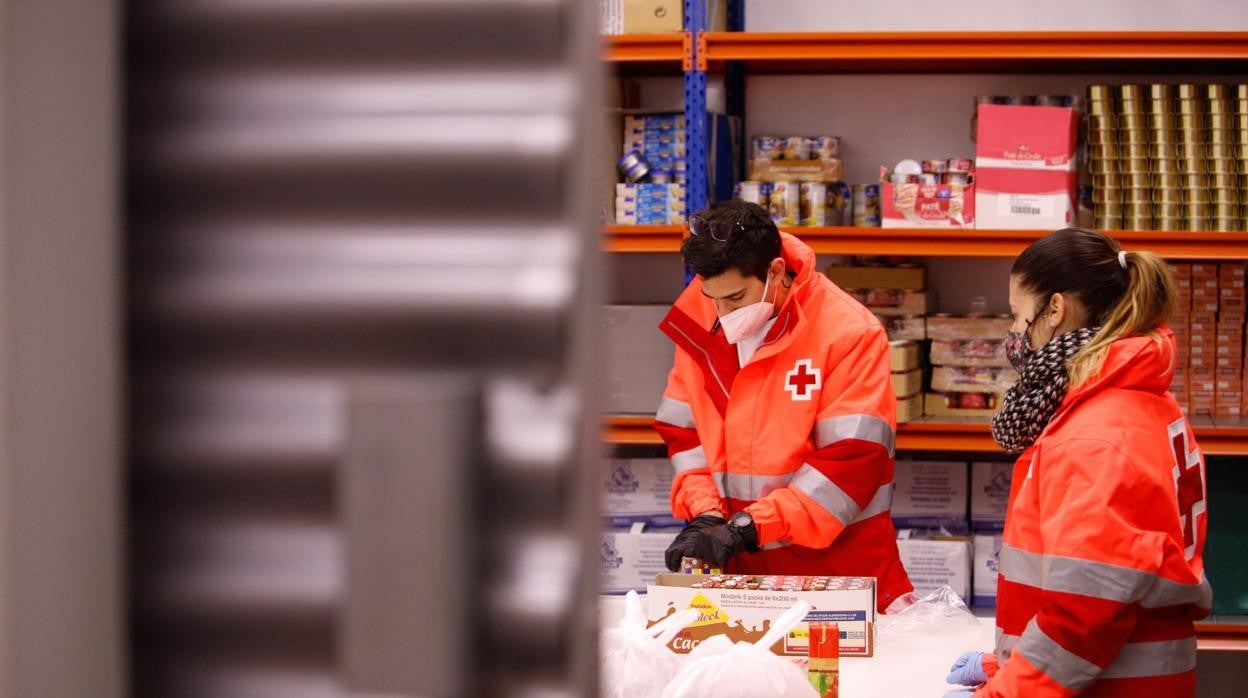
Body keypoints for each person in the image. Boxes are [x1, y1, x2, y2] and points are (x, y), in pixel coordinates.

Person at [945, 228, 1211, 697]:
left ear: (1054, 309)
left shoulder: (1094, 433)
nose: (1012, 334)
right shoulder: (1143, 399)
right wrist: (1003, 665)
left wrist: (1005, 692)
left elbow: (1084, 612)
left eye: (1016, 315)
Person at [653, 200, 913, 611]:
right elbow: (684, 434)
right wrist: (706, 514)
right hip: (741, 574)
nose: (722, 314)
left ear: (775, 271)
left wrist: (750, 527)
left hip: (836, 574)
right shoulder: (700, 320)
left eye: (736, 297)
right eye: (712, 297)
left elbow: (850, 464)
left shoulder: (848, 334)